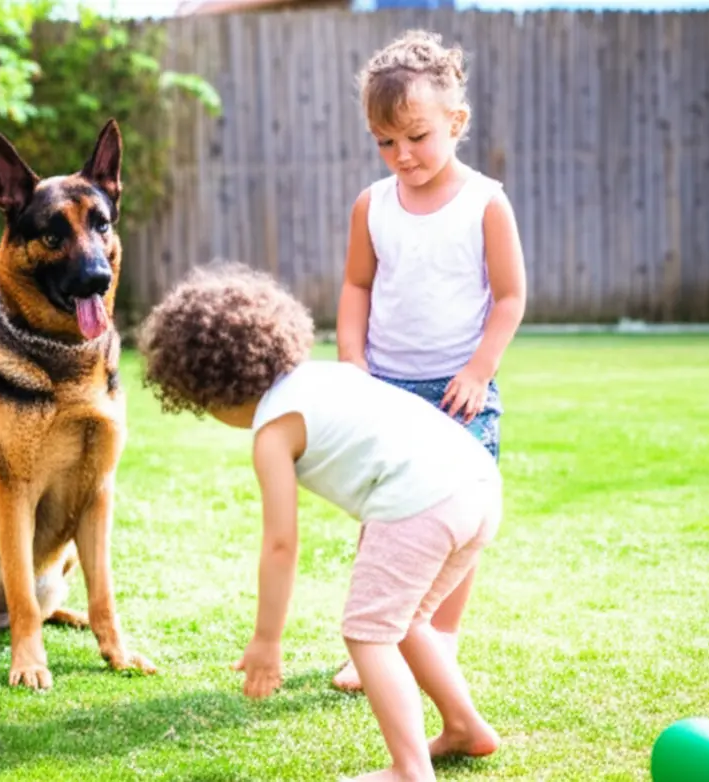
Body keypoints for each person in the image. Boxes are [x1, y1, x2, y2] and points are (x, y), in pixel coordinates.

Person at [138, 263, 502, 781]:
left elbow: (281, 545)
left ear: (209, 394)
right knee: (408, 622)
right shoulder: (326, 374)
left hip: (424, 500)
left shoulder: (272, 433)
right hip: (477, 481)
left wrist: (266, 639)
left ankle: (409, 771)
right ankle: (466, 727)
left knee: (368, 632)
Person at [334, 29, 527, 691]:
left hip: (457, 392)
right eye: (384, 141)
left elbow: (509, 297)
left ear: (456, 121)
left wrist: (477, 372)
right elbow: (357, 285)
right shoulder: (373, 205)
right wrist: (353, 361)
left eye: (415, 136)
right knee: (384, 517)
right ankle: (377, 638)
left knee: (453, 521)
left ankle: (439, 638)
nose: (401, 155)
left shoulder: (485, 203)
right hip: (385, 388)